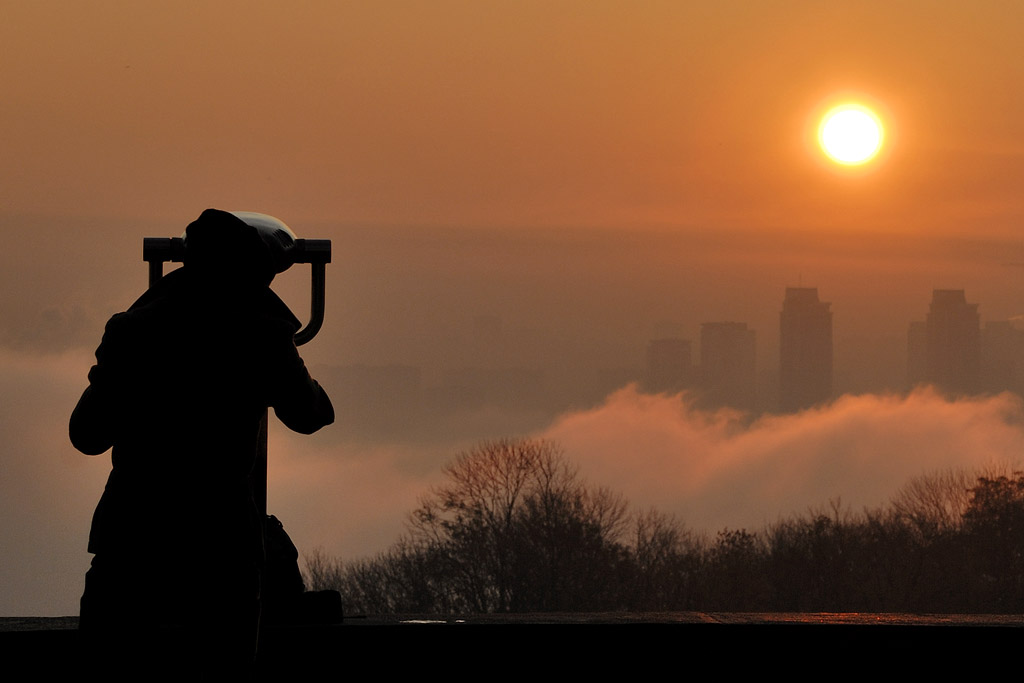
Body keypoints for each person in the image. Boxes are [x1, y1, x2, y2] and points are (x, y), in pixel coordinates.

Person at [70, 209, 334, 674]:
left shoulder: (134, 330)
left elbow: (86, 434)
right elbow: (311, 414)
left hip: (130, 544)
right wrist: (279, 341)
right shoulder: (258, 335)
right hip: (220, 551)